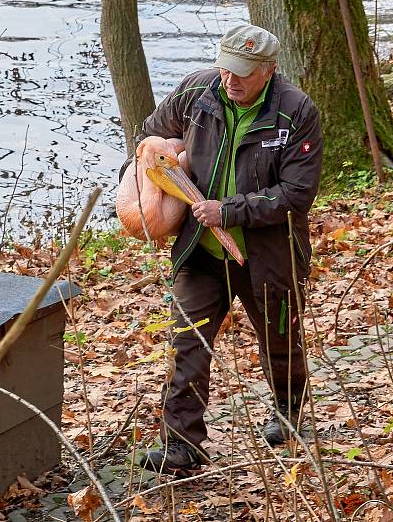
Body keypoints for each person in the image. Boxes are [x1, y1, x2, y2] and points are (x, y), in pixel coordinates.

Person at [129, 24, 323, 476]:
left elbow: (296, 193)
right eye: (225, 68)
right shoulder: (197, 92)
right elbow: (150, 138)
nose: (229, 80)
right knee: (188, 342)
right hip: (201, 253)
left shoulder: (297, 113)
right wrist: (148, 188)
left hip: (270, 254)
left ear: (269, 71)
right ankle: (182, 446)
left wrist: (229, 211)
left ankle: (288, 412)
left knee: (280, 340)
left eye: (242, 73)